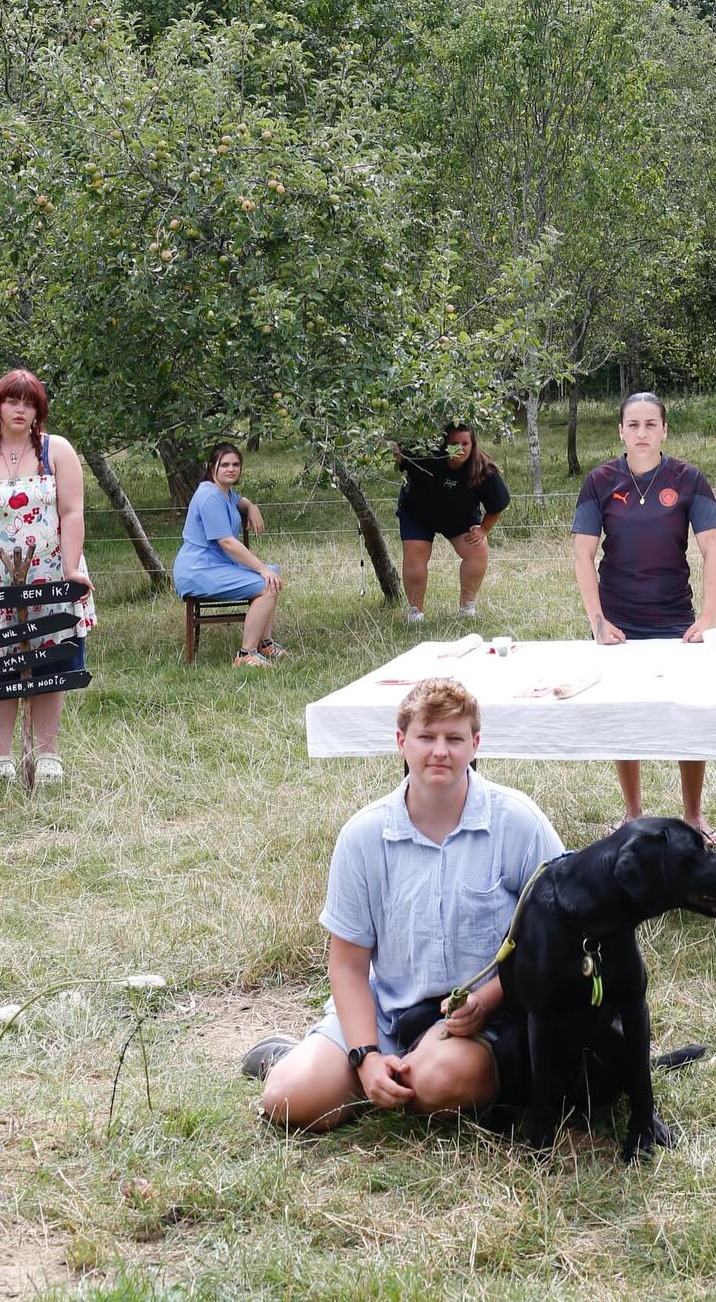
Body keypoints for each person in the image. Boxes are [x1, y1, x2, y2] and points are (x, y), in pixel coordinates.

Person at [250, 677, 563, 1131]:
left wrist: (491, 995)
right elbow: (348, 967)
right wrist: (365, 1055)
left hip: (476, 1019)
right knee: (288, 1101)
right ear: (401, 743)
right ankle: (327, 1065)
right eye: (426, 737)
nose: (440, 751)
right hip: (388, 1010)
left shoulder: (518, 822)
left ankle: (381, 1079)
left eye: (454, 738)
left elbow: (557, 934)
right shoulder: (363, 836)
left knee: (439, 1083)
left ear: (475, 745)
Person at [571, 391, 716, 848]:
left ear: (664, 430)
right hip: (617, 622)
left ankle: (693, 817)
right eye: (632, 424)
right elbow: (583, 553)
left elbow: (712, 548)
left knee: (689, 714)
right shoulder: (599, 481)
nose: (641, 433)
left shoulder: (688, 478)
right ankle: (632, 813)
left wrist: (709, 617)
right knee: (624, 716)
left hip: (677, 620)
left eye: (650, 424)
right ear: (620, 431)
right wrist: (597, 620)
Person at [0, 368, 95, 785]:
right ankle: (2, 759)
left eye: (29, 403)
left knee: (52, 660)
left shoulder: (57, 451)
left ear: (38, 411)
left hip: (49, 571)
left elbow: (71, 513)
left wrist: (71, 571)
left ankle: (48, 755)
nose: (20, 409)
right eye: (13, 401)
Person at [172, 442, 286, 667]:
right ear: (212, 466)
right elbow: (227, 543)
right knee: (267, 583)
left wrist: (251, 506)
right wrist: (260, 568)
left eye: (235, 464)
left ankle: (266, 644)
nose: (231, 469)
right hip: (199, 570)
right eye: (224, 465)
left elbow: (238, 500)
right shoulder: (209, 496)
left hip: (215, 566)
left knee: (272, 572)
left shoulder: (223, 491)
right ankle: (246, 654)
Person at [394, 426, 510, 625]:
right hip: (418, 514)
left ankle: (467, 609)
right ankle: (415, 613)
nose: (460, 449)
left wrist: (483, 529)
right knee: (415, 555)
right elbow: (397, 452)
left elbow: (497, 505)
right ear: (444, 445)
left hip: (459, 518)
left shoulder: (483, 468)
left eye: (465, 444)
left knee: (478, 549)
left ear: (473, 445)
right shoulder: (426, 454)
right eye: (454, 444)